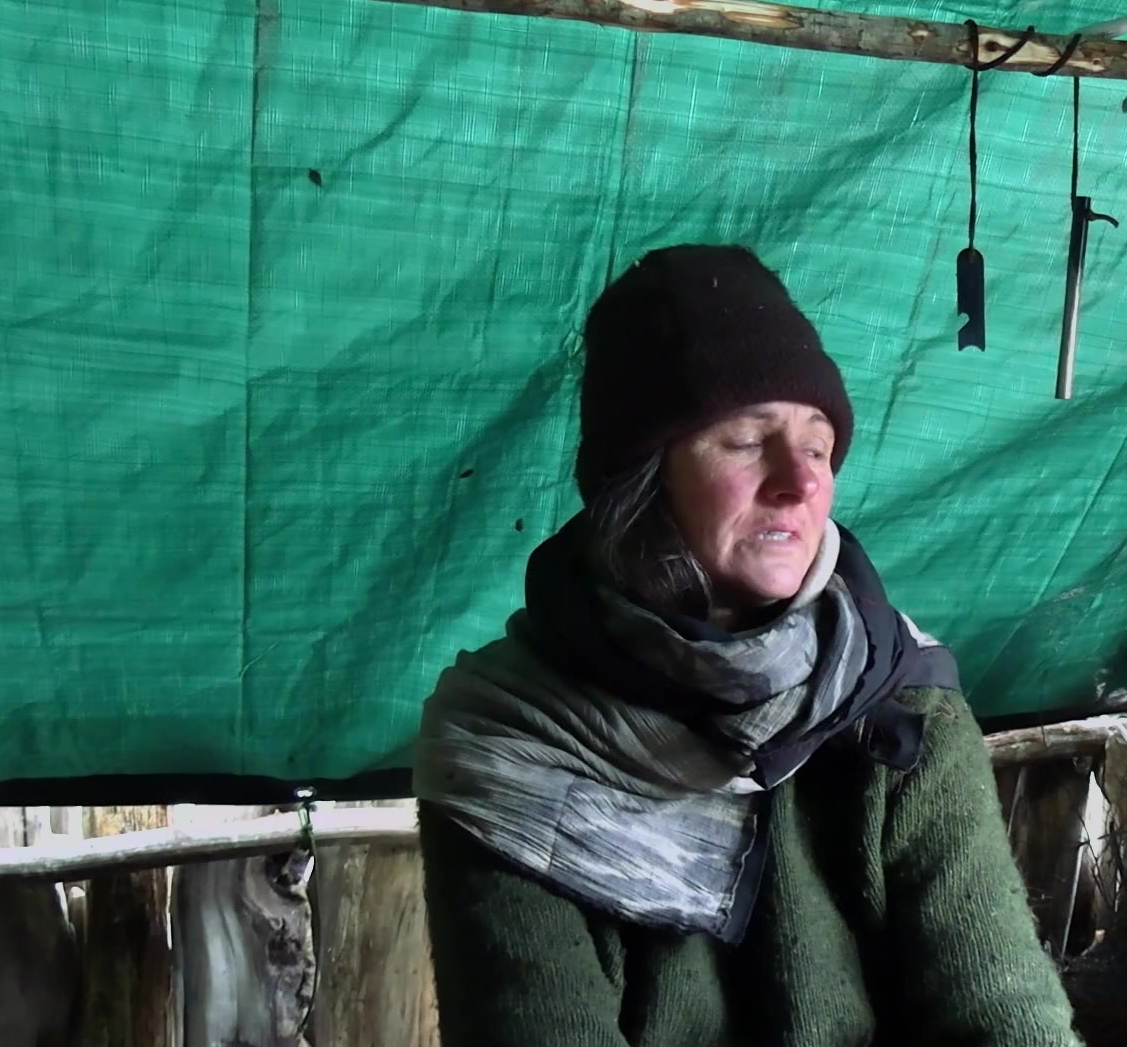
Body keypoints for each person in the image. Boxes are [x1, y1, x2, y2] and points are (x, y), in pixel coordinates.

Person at [413, 245, 1082, 1046]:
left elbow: (1005, 1017)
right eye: (745, 439)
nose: (800, 482)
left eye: (817, 446)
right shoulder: (508, 749)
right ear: (642, 477)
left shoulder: (904, 708)